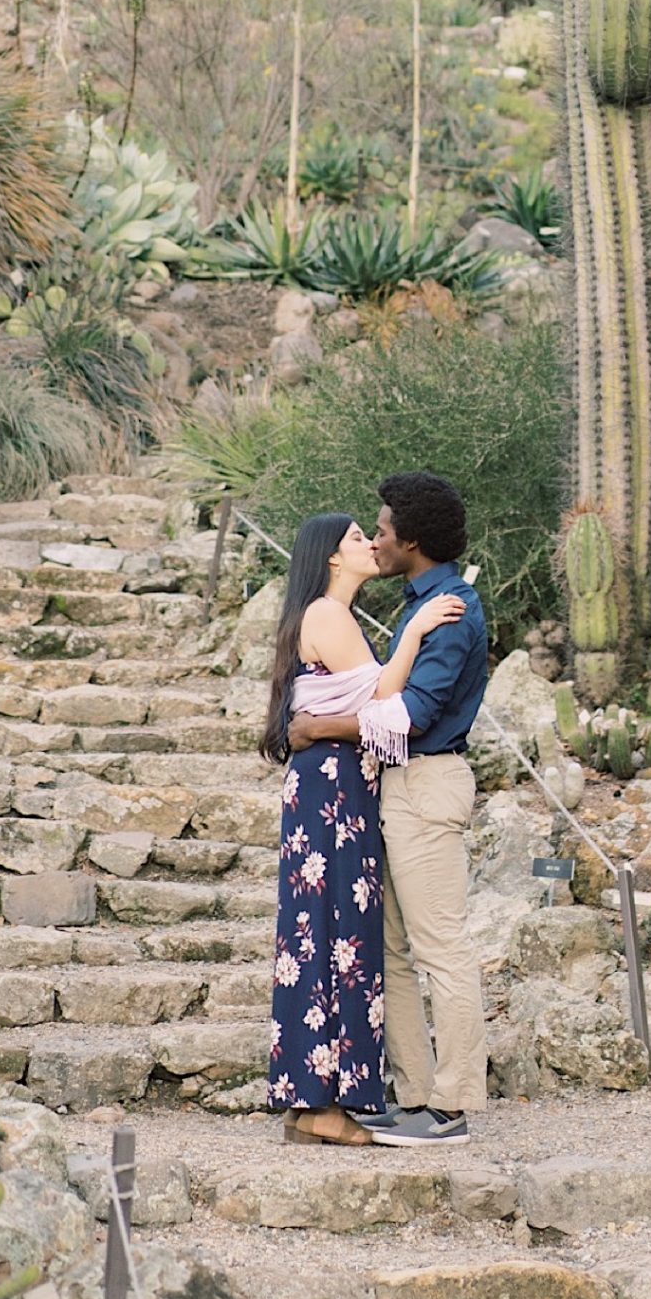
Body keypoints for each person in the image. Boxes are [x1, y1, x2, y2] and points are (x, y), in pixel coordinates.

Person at [288, 471, 489, 1145]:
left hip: (427, 783)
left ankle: (452, 1104)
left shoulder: (452, 609)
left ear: (411, 539)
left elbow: (407, 714)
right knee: (392, 950)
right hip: (395, 788)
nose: (374, 538)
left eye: (379, 530)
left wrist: (317, 729)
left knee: (440, 948)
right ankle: (412, 1093)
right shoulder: (418, 605)